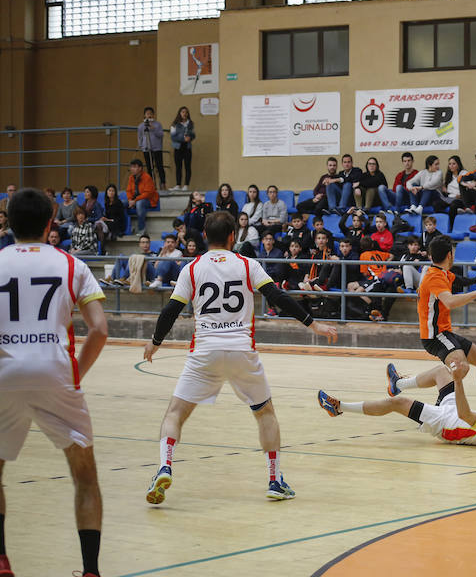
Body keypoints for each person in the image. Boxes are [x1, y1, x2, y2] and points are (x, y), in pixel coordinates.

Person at [142, 211, 337, 504]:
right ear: (233, 235)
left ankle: (164, 466)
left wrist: (155, 342)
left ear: (205, 236)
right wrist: (314, 323)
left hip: (204, 352)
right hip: (241, 352)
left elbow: (170, 310)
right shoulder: (248, 265)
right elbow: (278, 297)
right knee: (265, 413)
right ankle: (274, 480)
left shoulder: (192, 269)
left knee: (174, 414)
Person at [0, 188, 108, 577]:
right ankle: (91, 570)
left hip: (3, 374)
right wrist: (76, 371)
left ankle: (1, 559)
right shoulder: (70, 264)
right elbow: (99, 329)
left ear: (7, 222)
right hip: (55, 372)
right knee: (85, 476)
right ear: (51, 224)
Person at [387, 235, 476, 411]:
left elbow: (457, 280)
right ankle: (438, 408)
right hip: (435, 336)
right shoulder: (434, 278)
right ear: (450, 255)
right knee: (461, 368)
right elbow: (450, 302)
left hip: (444, 333)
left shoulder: (443, 273)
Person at [317, 361, 476, 447]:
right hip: (455, 414)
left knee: (397, 403)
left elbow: (466, 415)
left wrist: (458, 380)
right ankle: (397, 383)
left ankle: (338, 407)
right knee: (441, 371)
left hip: (447, 424)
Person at [125, 158, 159, 233]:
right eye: (131, 167)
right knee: (121, 203)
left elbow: (148, 193)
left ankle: (141, 229)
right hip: (134, 200)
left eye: (134, 167)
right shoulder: (131, 178)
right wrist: (130, 200)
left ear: (140, 168)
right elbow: (128, 190)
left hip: (148, 200)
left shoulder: (147, 177)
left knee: (139, 204)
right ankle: (127, 227)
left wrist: (135, 200)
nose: (132, 169)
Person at [138, 106, 166, 191]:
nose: (149, 115)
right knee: (149, 167)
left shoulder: (157, 124)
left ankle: (163, 183)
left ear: (153, 115)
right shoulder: (141, 126)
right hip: (146, 148)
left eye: (150, 113)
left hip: (157, 148)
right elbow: (140, 136)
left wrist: (153, 128)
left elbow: (161, 135)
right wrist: (141, 145)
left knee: (159, 166)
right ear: (144, 115)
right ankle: (151, 185)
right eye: (147, 114)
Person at [169, 106, 195, 191]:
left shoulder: (190, 123)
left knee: (187, 166)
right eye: (183, 112)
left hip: (187, 147)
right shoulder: (175, 124)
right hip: (178, 147)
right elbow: (173, 137)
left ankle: (186, 185)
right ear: (179, 113)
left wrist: (190, 138)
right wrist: (183, 138)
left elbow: (193, 134)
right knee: (178, 166)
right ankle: (178, 185)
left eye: (186, 112)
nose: (185, 114)